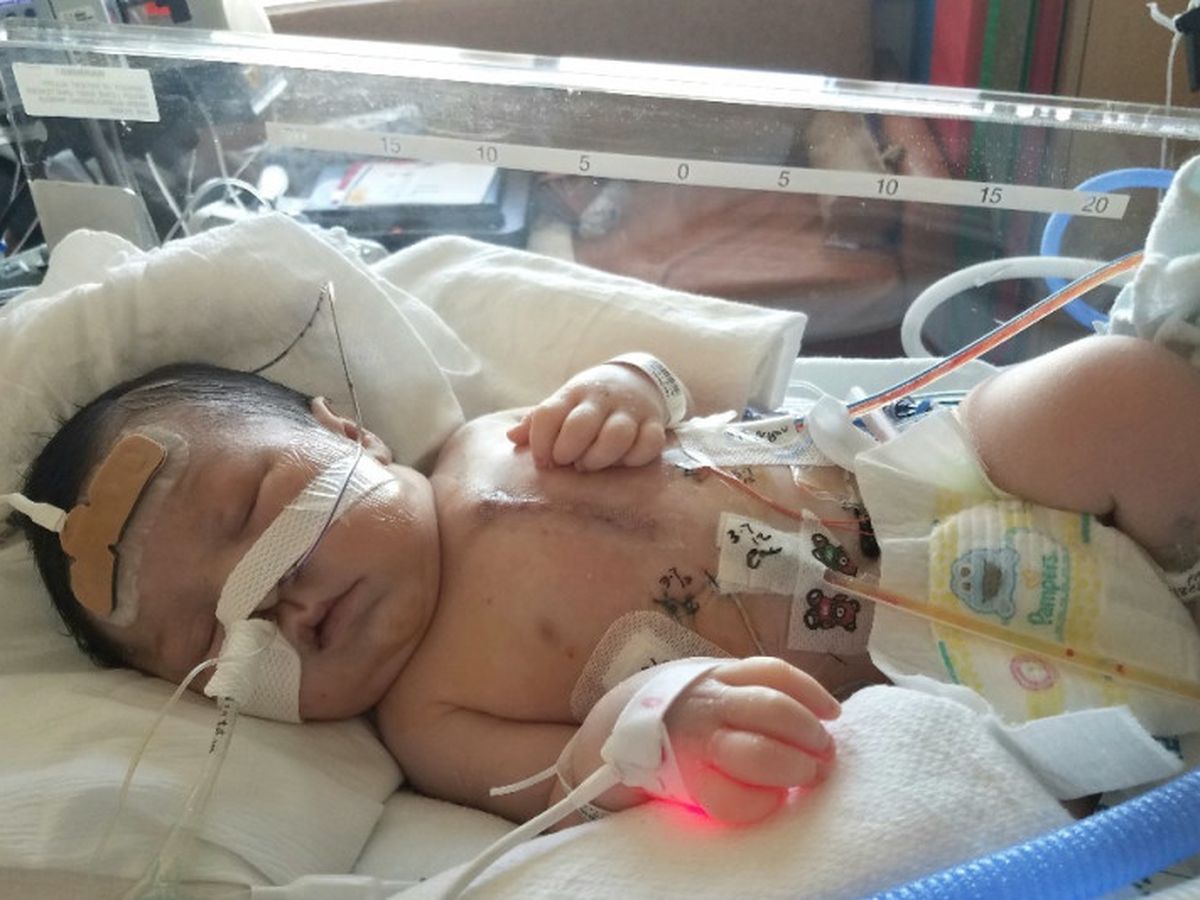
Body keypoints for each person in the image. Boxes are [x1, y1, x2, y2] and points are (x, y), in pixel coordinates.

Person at [11, 331, 1200, 828]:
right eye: (203, 637)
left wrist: (630, 386)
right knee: (1014, 786)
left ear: (349, 433)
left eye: (256, 508)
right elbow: (578, 777)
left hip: (929, 483)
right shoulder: (430, 720)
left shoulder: (487, 434)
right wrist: (665, 729)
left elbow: (684, 392)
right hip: (927, 679)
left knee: (1106, 389)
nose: (267, 596)